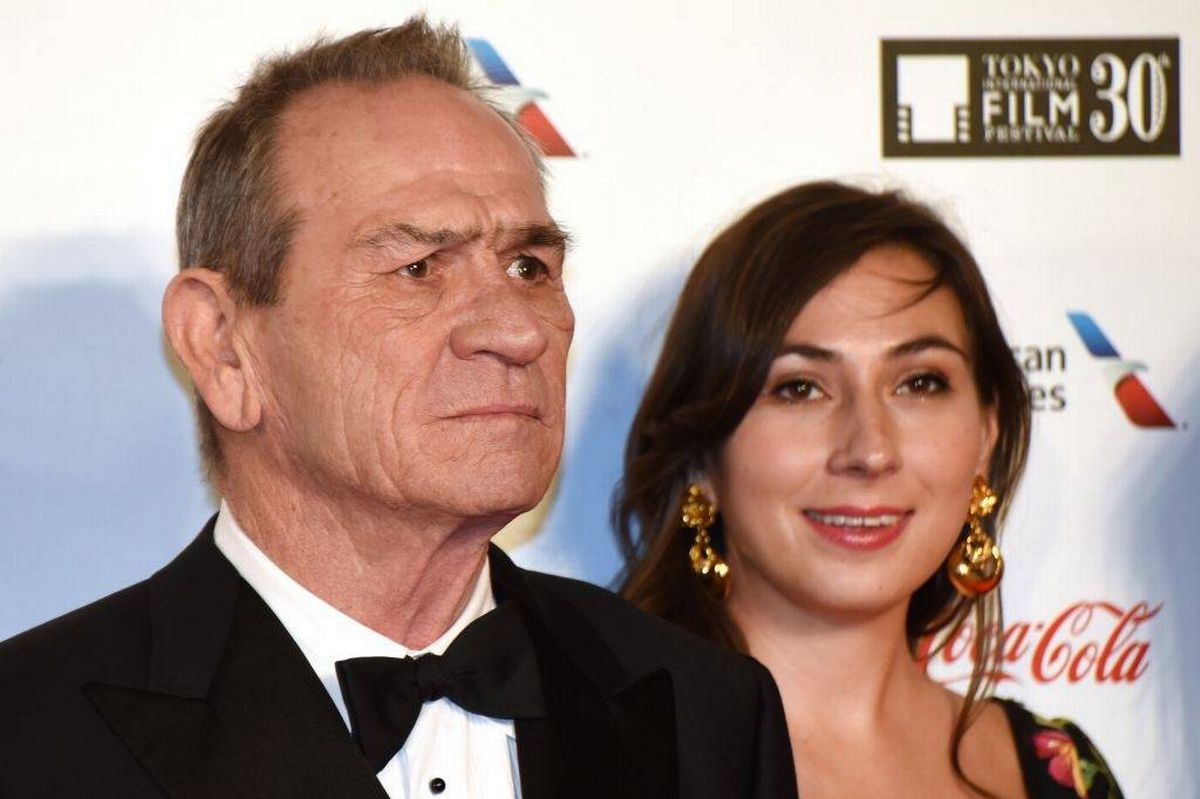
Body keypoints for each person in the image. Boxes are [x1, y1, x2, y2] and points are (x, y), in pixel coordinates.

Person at [0, 20, 797, 799]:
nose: (518, 330)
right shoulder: (28, 736)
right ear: (223, 346)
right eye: (418, 268)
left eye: (529, 265)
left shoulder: (709, 713)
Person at [614, 181, 1124, 798]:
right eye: (800, 387)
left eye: (919, 383)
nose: (870, 450)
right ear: (701, 460)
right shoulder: (588, 753)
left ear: (985, 435)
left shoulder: (1059, 770)